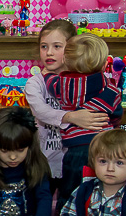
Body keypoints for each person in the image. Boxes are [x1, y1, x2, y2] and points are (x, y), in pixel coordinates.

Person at [24, 18, 109, 181]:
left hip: (79, 157)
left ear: (71, 49)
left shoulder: (85, 81)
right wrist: (71, 117)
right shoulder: (35, 83)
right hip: (46, 158)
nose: (49, 52)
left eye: (57, 46)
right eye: (44, 46)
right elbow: (41, 111)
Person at [44, 32, 122, 207]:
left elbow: (50, 83)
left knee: (71, 187)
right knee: (100, 186)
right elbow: (116, 113)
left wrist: (47, 74)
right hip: (104, 144)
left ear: (65, 59)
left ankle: (66, 214)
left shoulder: (62, 83)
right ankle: (98, 213)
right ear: (104, 63)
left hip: (76, 147)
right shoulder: (108, 85)